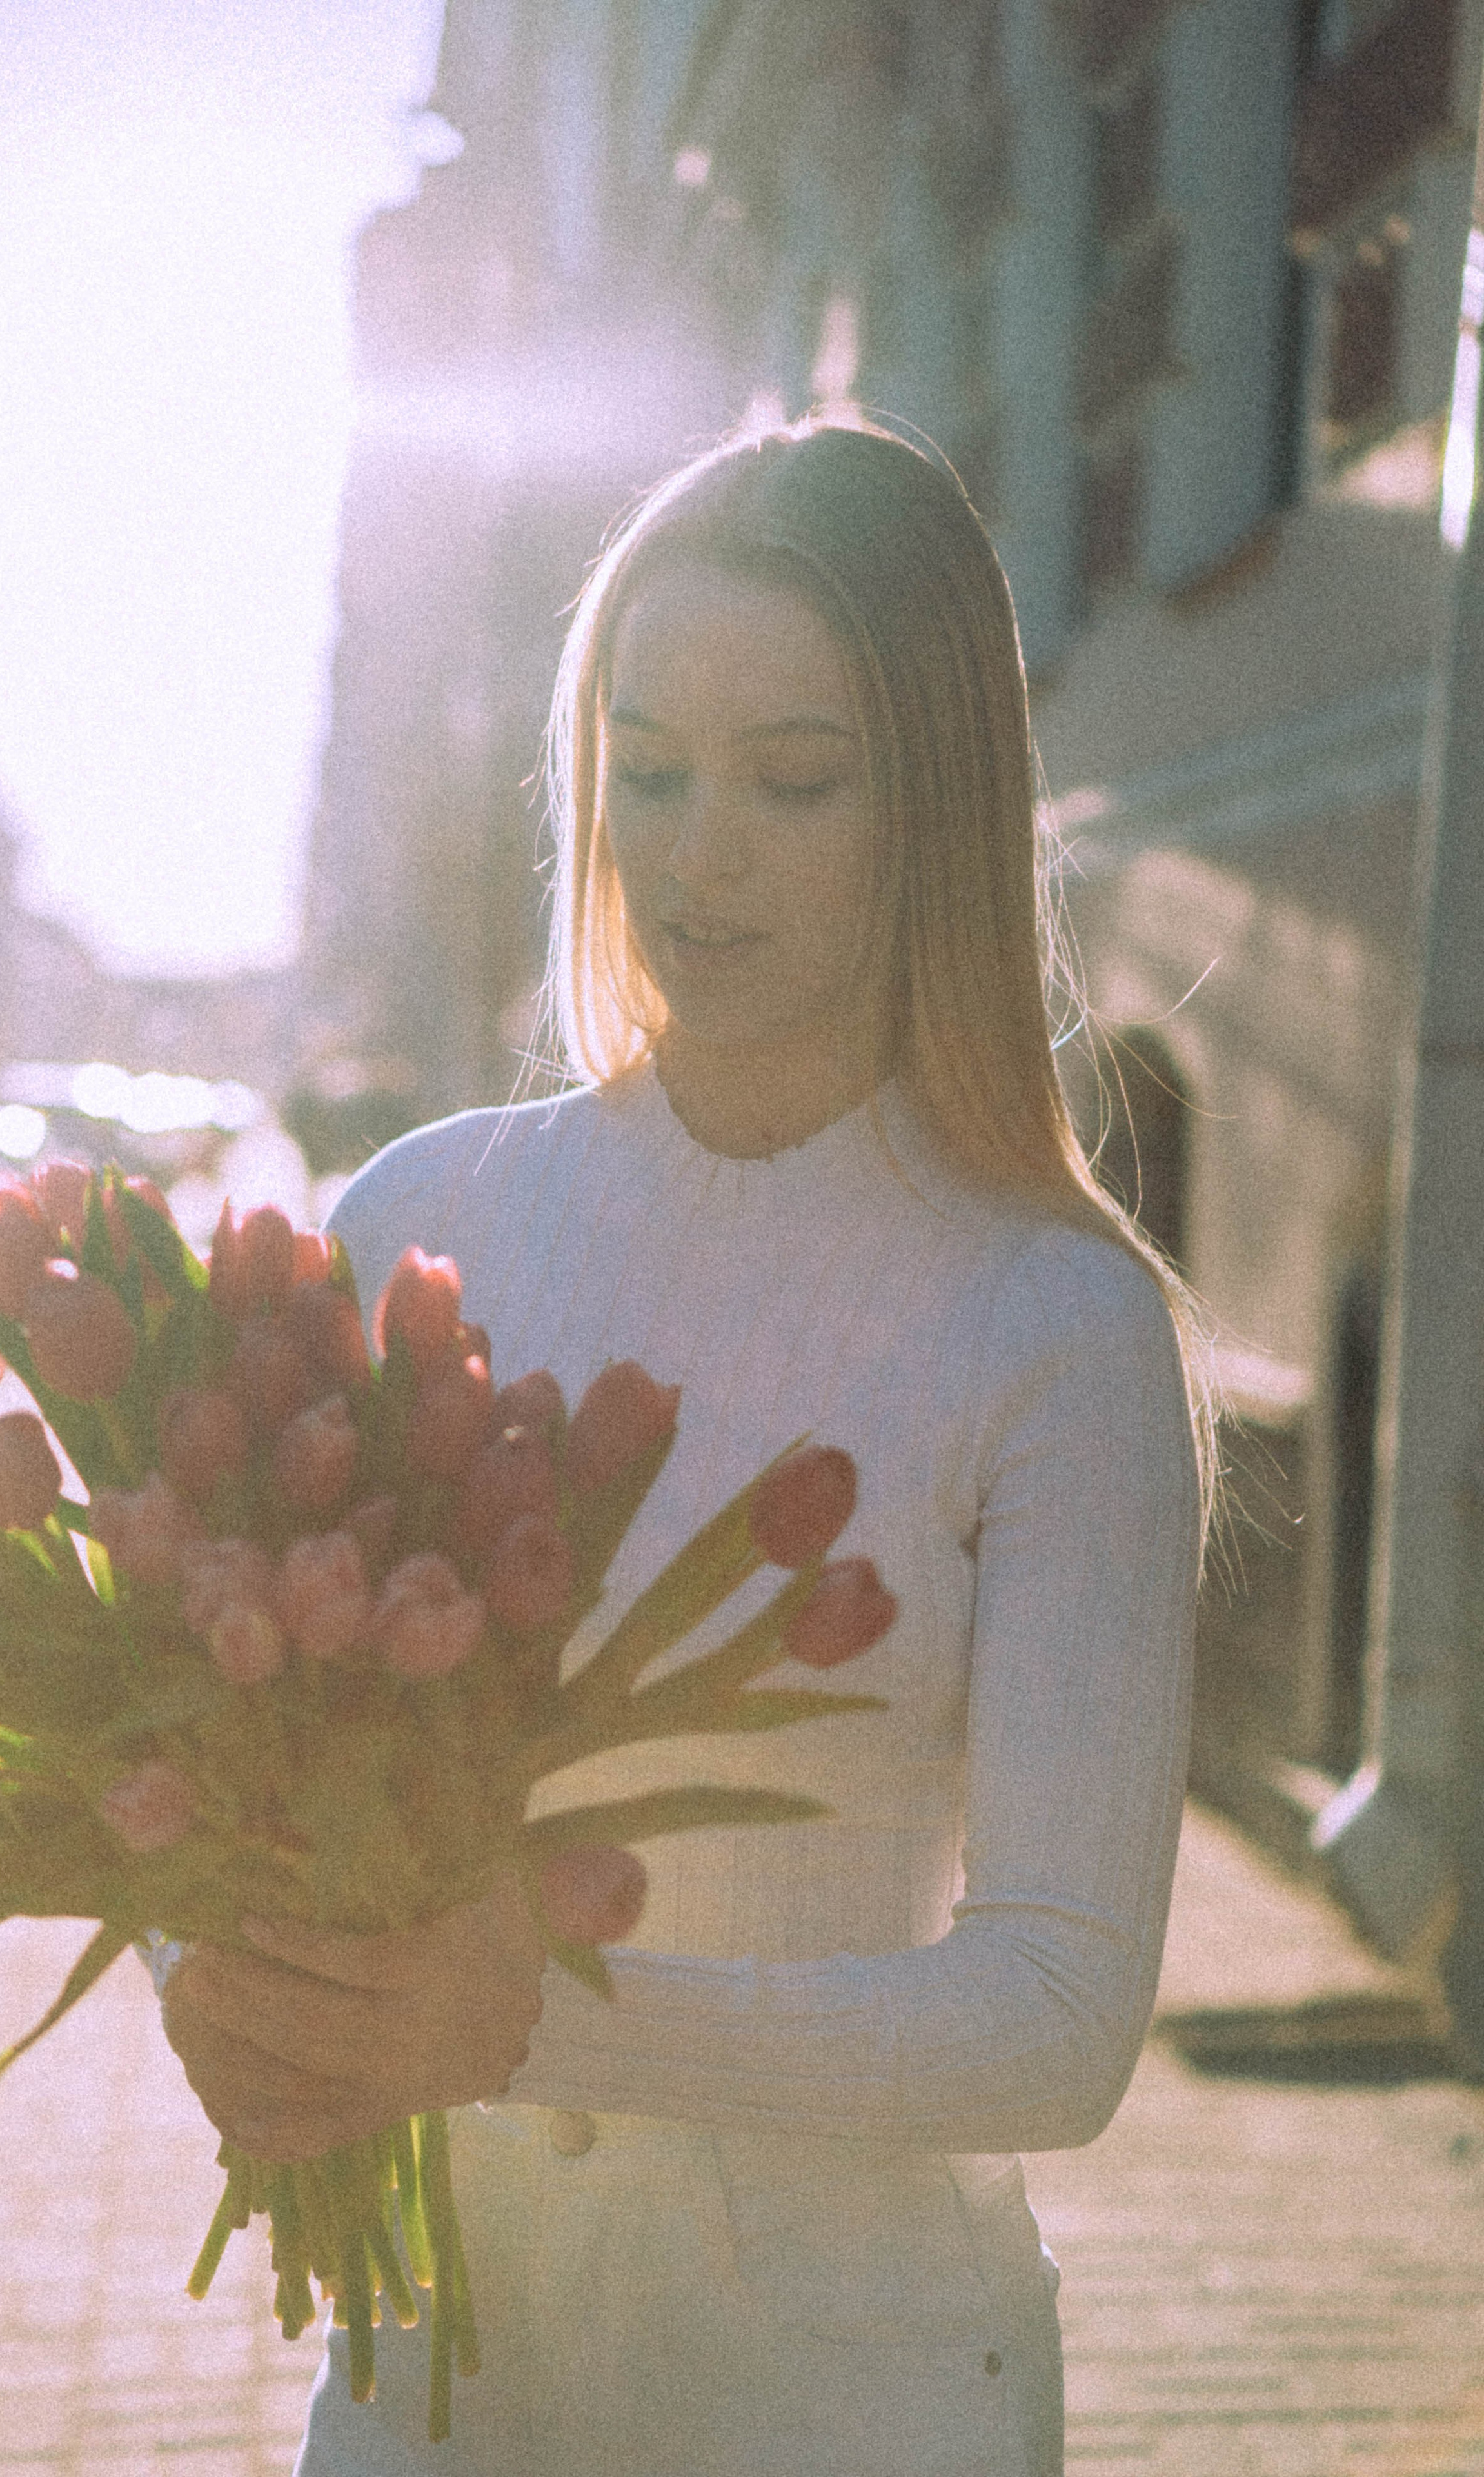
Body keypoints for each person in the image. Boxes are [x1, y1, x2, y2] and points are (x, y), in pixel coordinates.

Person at [162, 415, 1210, 2477]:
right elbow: (249, 1796)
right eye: (650, 768)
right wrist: (239, 1971)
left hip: (861, 2402)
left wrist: (528, 2016)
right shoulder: (416, 1223)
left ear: (937, 803)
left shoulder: (1055, 1324)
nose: (699, 841)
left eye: (793, 777)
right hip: (423, 2387)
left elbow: (1062, 2018)